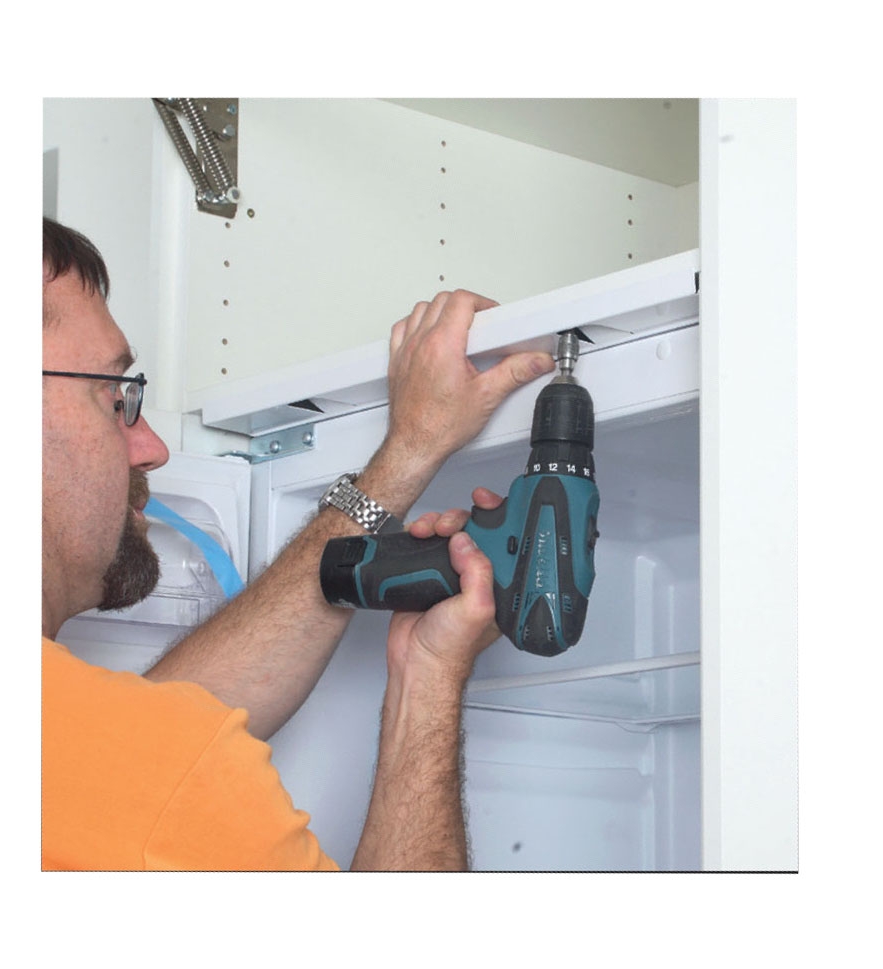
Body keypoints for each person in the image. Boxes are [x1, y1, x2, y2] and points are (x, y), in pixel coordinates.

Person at [41, 216, 555, 870]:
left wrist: (409, 451)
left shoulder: (93, 755)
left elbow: (136, 760)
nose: (152, 448)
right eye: (115, 397)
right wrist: (430, 676)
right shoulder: (160, 779)